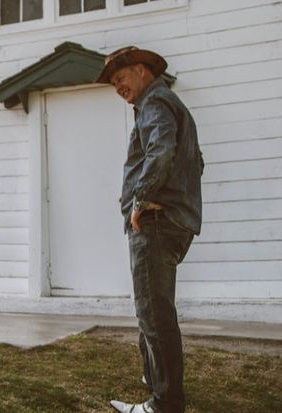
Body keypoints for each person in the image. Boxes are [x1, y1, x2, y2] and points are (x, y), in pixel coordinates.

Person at [95, 46, 204, 413]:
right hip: (173, 220)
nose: (118, 88)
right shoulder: (167, 104)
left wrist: (141, 201)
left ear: (141, 71)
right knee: (153, 309)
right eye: (113, 84)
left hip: (156, 223)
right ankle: (156, 378)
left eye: (120, 78)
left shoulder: (155, 104)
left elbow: (160, 152)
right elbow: (195, 163)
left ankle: (164, 403)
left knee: (154, 313)